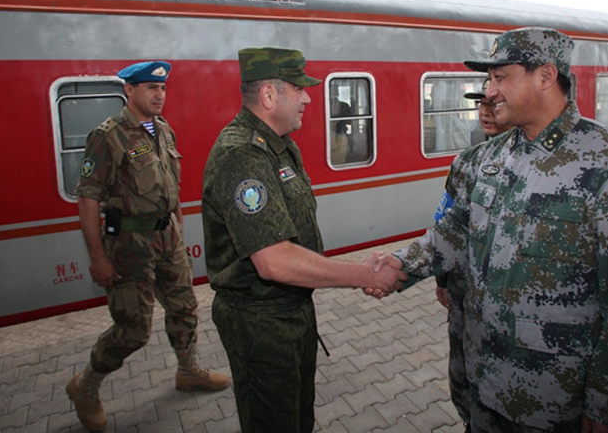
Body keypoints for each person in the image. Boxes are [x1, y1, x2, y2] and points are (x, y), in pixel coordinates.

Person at [375, 27, 608, 432]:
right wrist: (400, 263)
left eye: (499, 77)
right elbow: (454, 233)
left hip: (556, 400)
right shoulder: (485, 159)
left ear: (545, 77)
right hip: (484, 382)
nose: (488, 91)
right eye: (488, 79)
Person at [201, 46, 407, 433]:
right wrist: (366, 275)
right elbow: (274, 261)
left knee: (298, 420)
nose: (309, 97)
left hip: (290, 313)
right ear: (268, 96)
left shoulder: (279, 145)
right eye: (298, 88)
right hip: (260, 323)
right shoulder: (242, 155)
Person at [67, 61, 229, 432]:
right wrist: (97, 257)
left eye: (163, 89)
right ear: (130, 91)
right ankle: (86, 386)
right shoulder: (108, 136)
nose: (159, 95)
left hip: (166, 237)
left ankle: (188, 370)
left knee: (185, 306)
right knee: (133, 331)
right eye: (150, 88)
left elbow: (172, 190)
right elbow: (88, 198)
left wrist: (179, 233)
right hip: (128, 244)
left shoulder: (163, 132)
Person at [432, 82, 512, 431]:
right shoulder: (467, 162)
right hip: (466, 295)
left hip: (509, 311)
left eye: (494, 104)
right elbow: (445, 222)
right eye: (480, 103)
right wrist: (443, 279)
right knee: (463, 376)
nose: (484, 111)